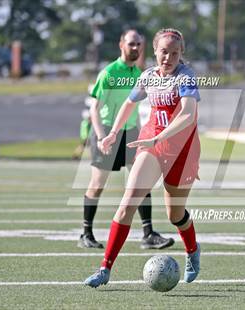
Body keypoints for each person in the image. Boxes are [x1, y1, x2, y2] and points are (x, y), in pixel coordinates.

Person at [84, 28, 201, 288]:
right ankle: (105, 268)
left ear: (181, 54)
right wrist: (113, 133)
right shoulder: (148, 76)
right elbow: (129, 103)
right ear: (155, 52)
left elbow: (188, 114)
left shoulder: (186, 77)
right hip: (151, 145)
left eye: (174, 53)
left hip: (183, 149)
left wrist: (159, 138)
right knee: (127, 204)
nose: (168, 58)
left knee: (175, 214)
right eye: (163, 52)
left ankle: (193, 250)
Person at [78, 29, 174, 250]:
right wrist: (102, 136)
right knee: (97, 185)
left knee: (142, 181)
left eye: (139, 44)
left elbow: (133, 110)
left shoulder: (138, 73)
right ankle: (86, 233)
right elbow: (95, 108)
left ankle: (148, 234)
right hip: (107, 133)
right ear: (121, 44)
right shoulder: (109, 73)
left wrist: (144, 136)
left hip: (131, 134)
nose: (135, 48)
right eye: (131, 44)